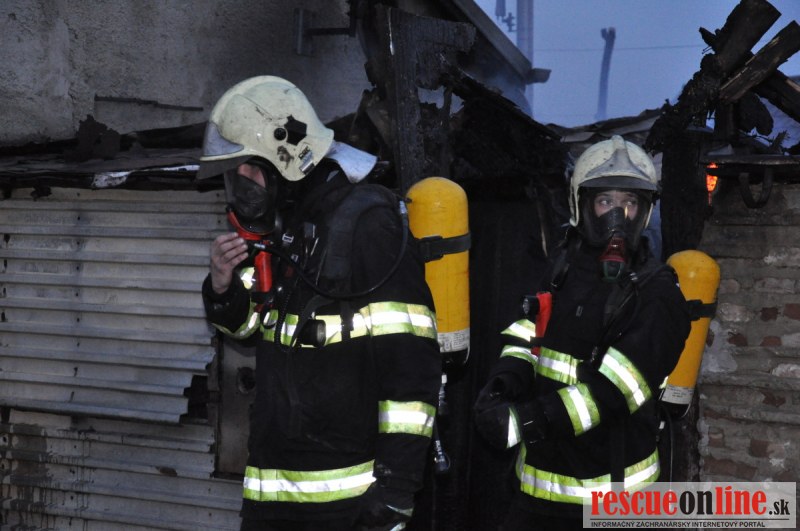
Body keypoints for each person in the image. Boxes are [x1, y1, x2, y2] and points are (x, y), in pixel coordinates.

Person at [196, 76, 441, 531]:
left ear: (288, 157)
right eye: (235, 174)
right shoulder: (288, 230)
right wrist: (223, 289)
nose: (242, 185)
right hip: (270, 497)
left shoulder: (368, 227)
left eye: (249, 169)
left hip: (343, 507)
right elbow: (250, 329)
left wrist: (395, 489)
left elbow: (412, 369)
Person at [473, 135, 691, 530]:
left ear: (644, 212)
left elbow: (615, 391)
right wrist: (505, 381)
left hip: (614, 500)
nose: (618, 216)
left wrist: (527, 421)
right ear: (582, 204)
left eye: (630, 203)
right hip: (537, 491)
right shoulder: (563, 268)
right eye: (606, 201)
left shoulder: (657, 293)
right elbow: (528, 332)